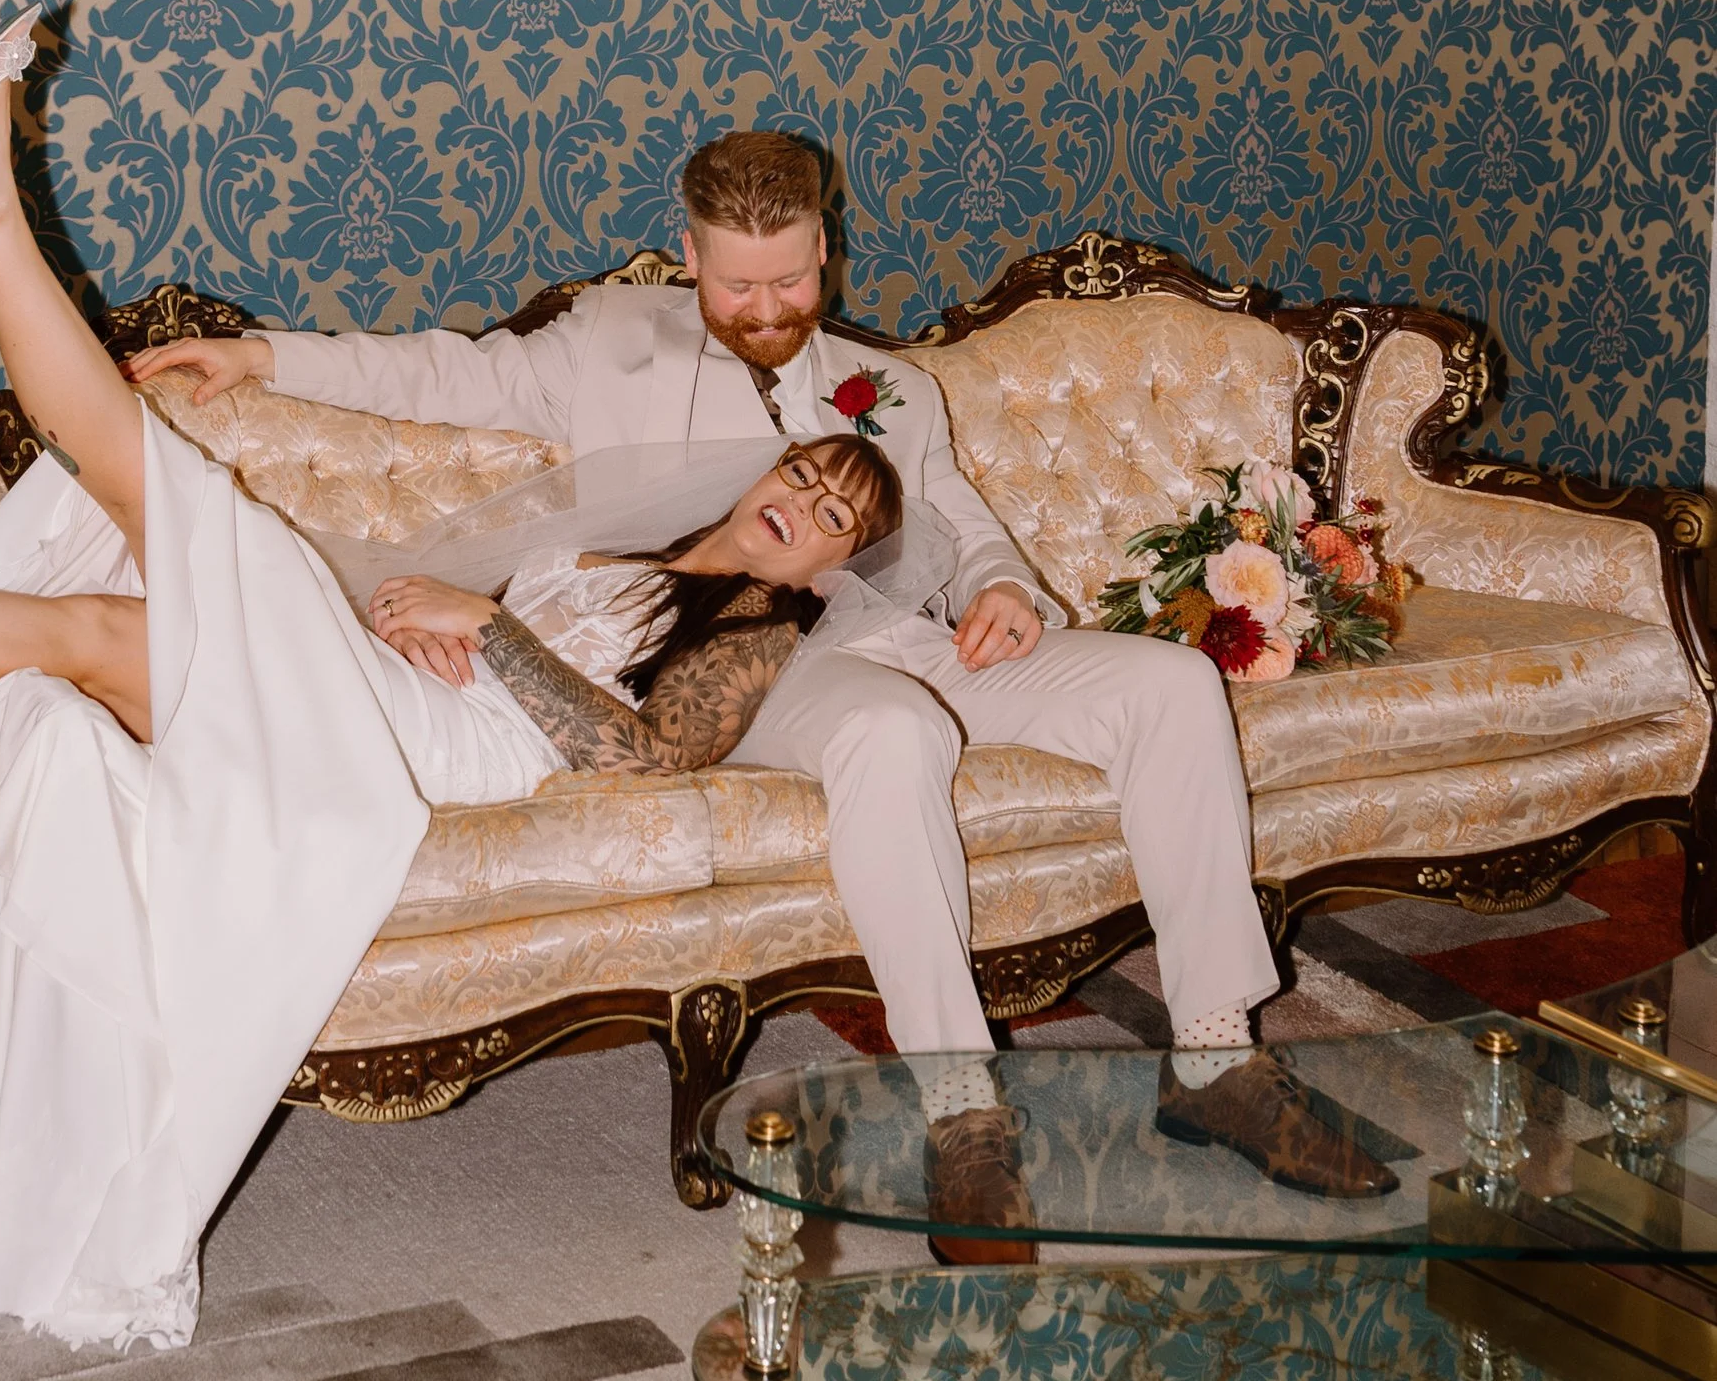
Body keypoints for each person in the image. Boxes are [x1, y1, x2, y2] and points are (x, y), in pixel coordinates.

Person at [0, 28, 889, 1340]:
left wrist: (494, 630)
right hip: (386, 689)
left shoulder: (763, 627)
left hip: (451, 745)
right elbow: (447, 364)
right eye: (804, 474)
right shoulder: (632, 454)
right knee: (86, 613)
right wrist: (286, 397)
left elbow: (644, 758)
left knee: (157, 507)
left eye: (832, 510)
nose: (803, 493)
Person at [134, 126, 1393, 1258]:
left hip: (902, 635)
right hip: (751, 668)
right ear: (689, 255)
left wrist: (1004, 591)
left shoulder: (888, 385)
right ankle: (961, 1111)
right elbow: (439, 375)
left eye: (791, 278)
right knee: (892, 730)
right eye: (737, 283)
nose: (766, 305)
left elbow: (961, 523)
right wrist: (256, 353)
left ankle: (1216, 1057)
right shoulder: (608, 346)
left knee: (1170, 685)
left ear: (825, 248)